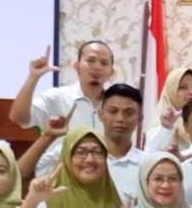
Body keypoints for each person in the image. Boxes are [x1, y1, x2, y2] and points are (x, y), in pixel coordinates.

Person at [10, 41, 116, 176]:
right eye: (90, 60)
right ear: (76, 66)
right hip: (55, 181)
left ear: (111, 72)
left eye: (104, 63)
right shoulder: (57, 97)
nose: (97, 67)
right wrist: (33, 77)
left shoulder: (114, 107)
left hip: (98, 181)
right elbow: (19, 118)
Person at [147, 67, 192, 154]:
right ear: (171, 91)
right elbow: (151, 156)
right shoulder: (160, 127)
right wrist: (166, 128)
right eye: (183, 87)